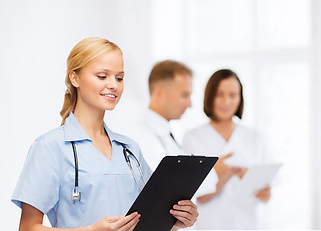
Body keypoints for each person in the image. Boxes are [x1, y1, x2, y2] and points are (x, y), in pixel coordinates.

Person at [11, 37, 198, 231]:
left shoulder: (130, 149)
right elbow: (28, 228)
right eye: (102, 76)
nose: (113, 85)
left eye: (119, 78)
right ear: (75, 78)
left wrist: (176, 221)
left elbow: (148, 220)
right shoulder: (50, 146)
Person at [127, 60, 217, 230]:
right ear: (159, 93)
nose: (189, 104)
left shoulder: (167, 134)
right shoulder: (140, 137)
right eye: (184, 95)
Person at [182, 69, 272, 229]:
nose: (226, 102)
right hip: (212, 225)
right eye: (219, 94)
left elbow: (265, 192)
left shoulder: (256, 137)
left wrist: (264, 193)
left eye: (233, 95)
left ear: (240, 98)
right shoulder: (192, 138)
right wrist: (223, 174)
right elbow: (197, 196)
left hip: (250, 224)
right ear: (209, 97)